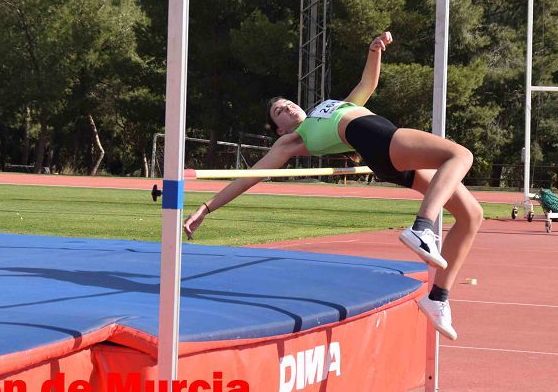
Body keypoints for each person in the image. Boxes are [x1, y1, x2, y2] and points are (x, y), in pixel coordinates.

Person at [182, 32, 483, 340]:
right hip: (373, 136)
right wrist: (207, 207)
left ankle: (437, 299)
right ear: (280, 129)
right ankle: (422, 227)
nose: (286, 108)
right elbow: (251, 176)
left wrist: (374, 51)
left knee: (471, 214)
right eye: (279, 112)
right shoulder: (292, 140)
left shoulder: (327, 109)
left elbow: (368, 85)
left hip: (382, 147)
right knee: (460, 154)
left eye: (287, 103)